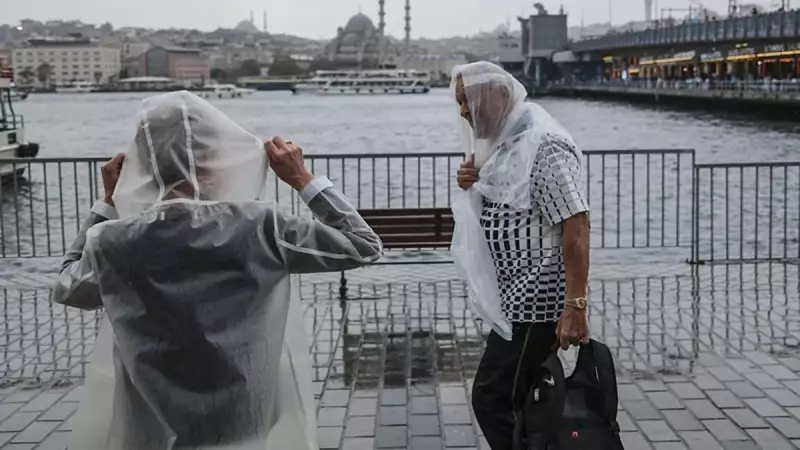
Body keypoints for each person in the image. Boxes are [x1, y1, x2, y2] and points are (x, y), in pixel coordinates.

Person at [51, 91, 382, 449]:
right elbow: (363, 245)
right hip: (242, 421)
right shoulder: (259, 227)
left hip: (151, 426)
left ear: (142, 165)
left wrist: (107, 204)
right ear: (216, 159)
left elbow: (68, 289)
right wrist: (303, 179)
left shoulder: (112, 241)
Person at [451, 62, 591, 450]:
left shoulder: (544, 145)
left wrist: (575, 306)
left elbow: (576, 223)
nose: (462, 111)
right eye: (459, 102)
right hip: (517, 299)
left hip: (537, 303)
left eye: (467, 101)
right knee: (525, 400)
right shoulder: (511, 140)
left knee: (492, 396)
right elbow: (512, 197)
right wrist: (474, 179)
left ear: (495, 96)